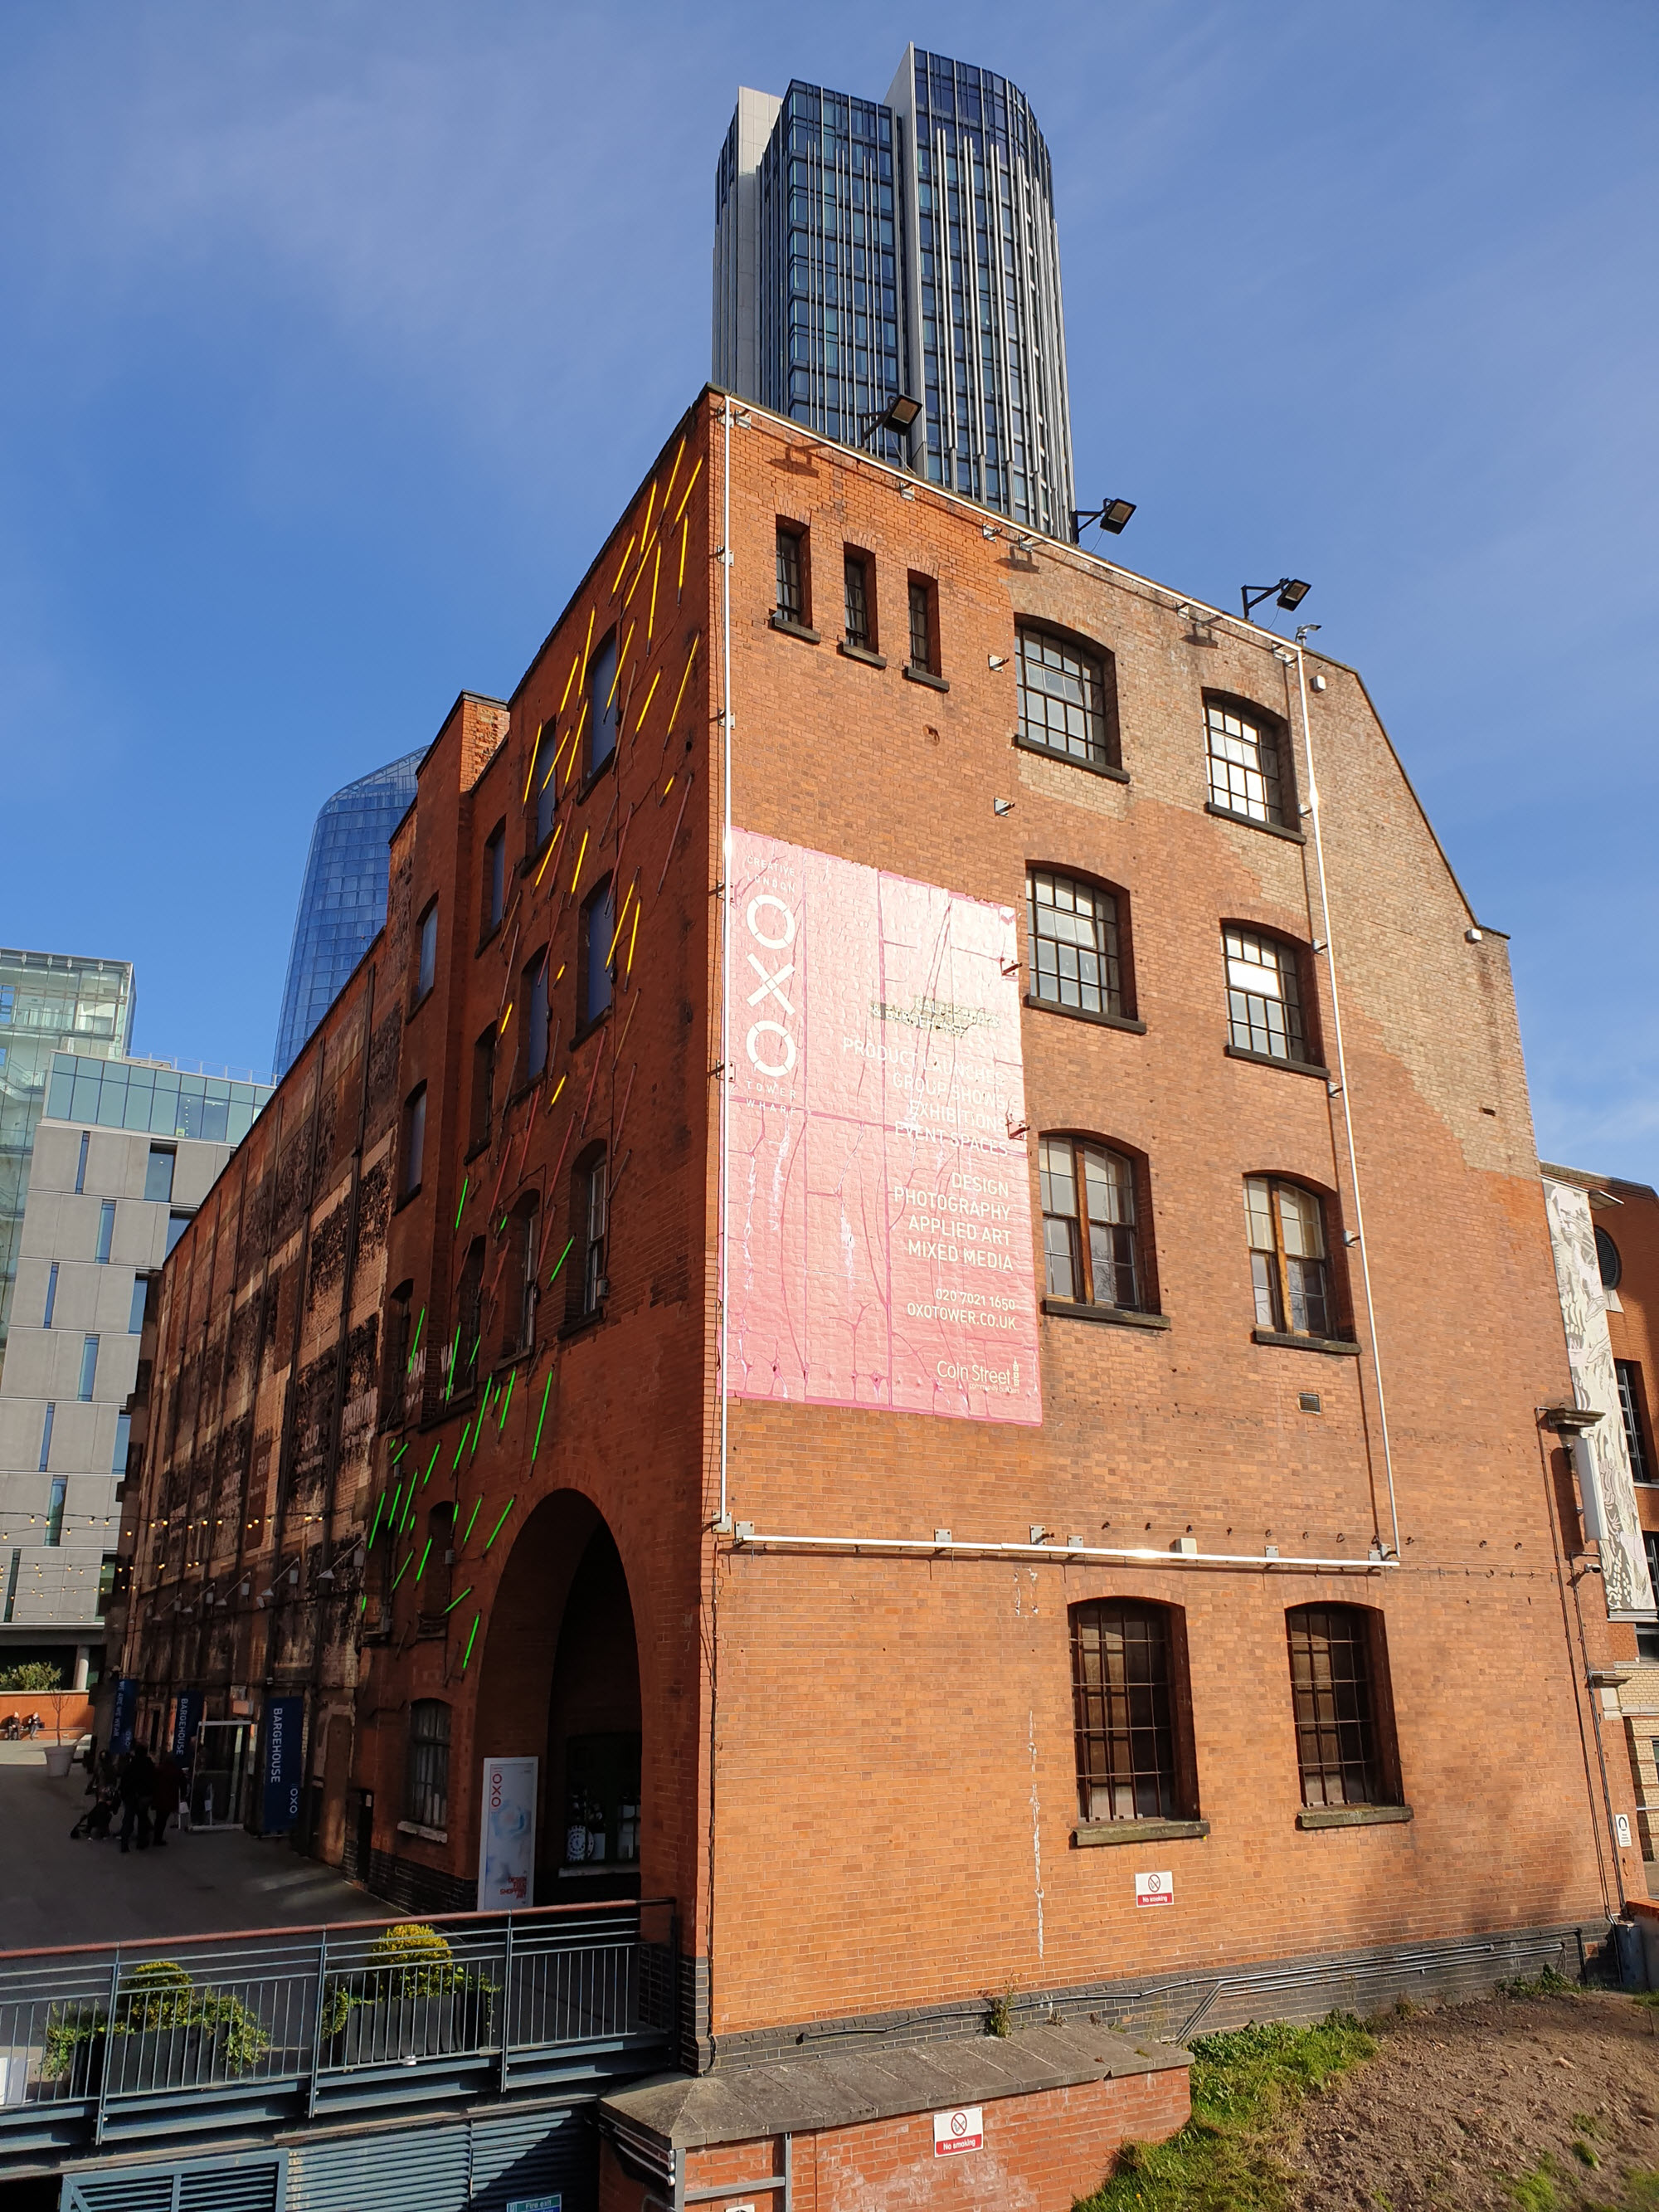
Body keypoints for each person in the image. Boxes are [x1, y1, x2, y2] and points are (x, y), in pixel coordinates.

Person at [119, 1745, 156, 1854]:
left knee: (128, 1818)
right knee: (143, 1818)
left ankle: (124, 1843)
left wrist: (124, 1795)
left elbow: (124, 1781)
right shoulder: (149, 1765)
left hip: (130, 1796)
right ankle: (142, 1842)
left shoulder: (131, 1765)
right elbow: (152, 1781)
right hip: (143, 1796)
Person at [151, 1750, 183, 1847]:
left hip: (158, 1798)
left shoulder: (159, 1769)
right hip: (169, 1798)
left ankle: (156, 1837)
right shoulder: (176, 1771)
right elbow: (182, 1782)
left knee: (159, 1818)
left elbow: (153, 1781)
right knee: (163, 1819)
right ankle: (158, 1838)